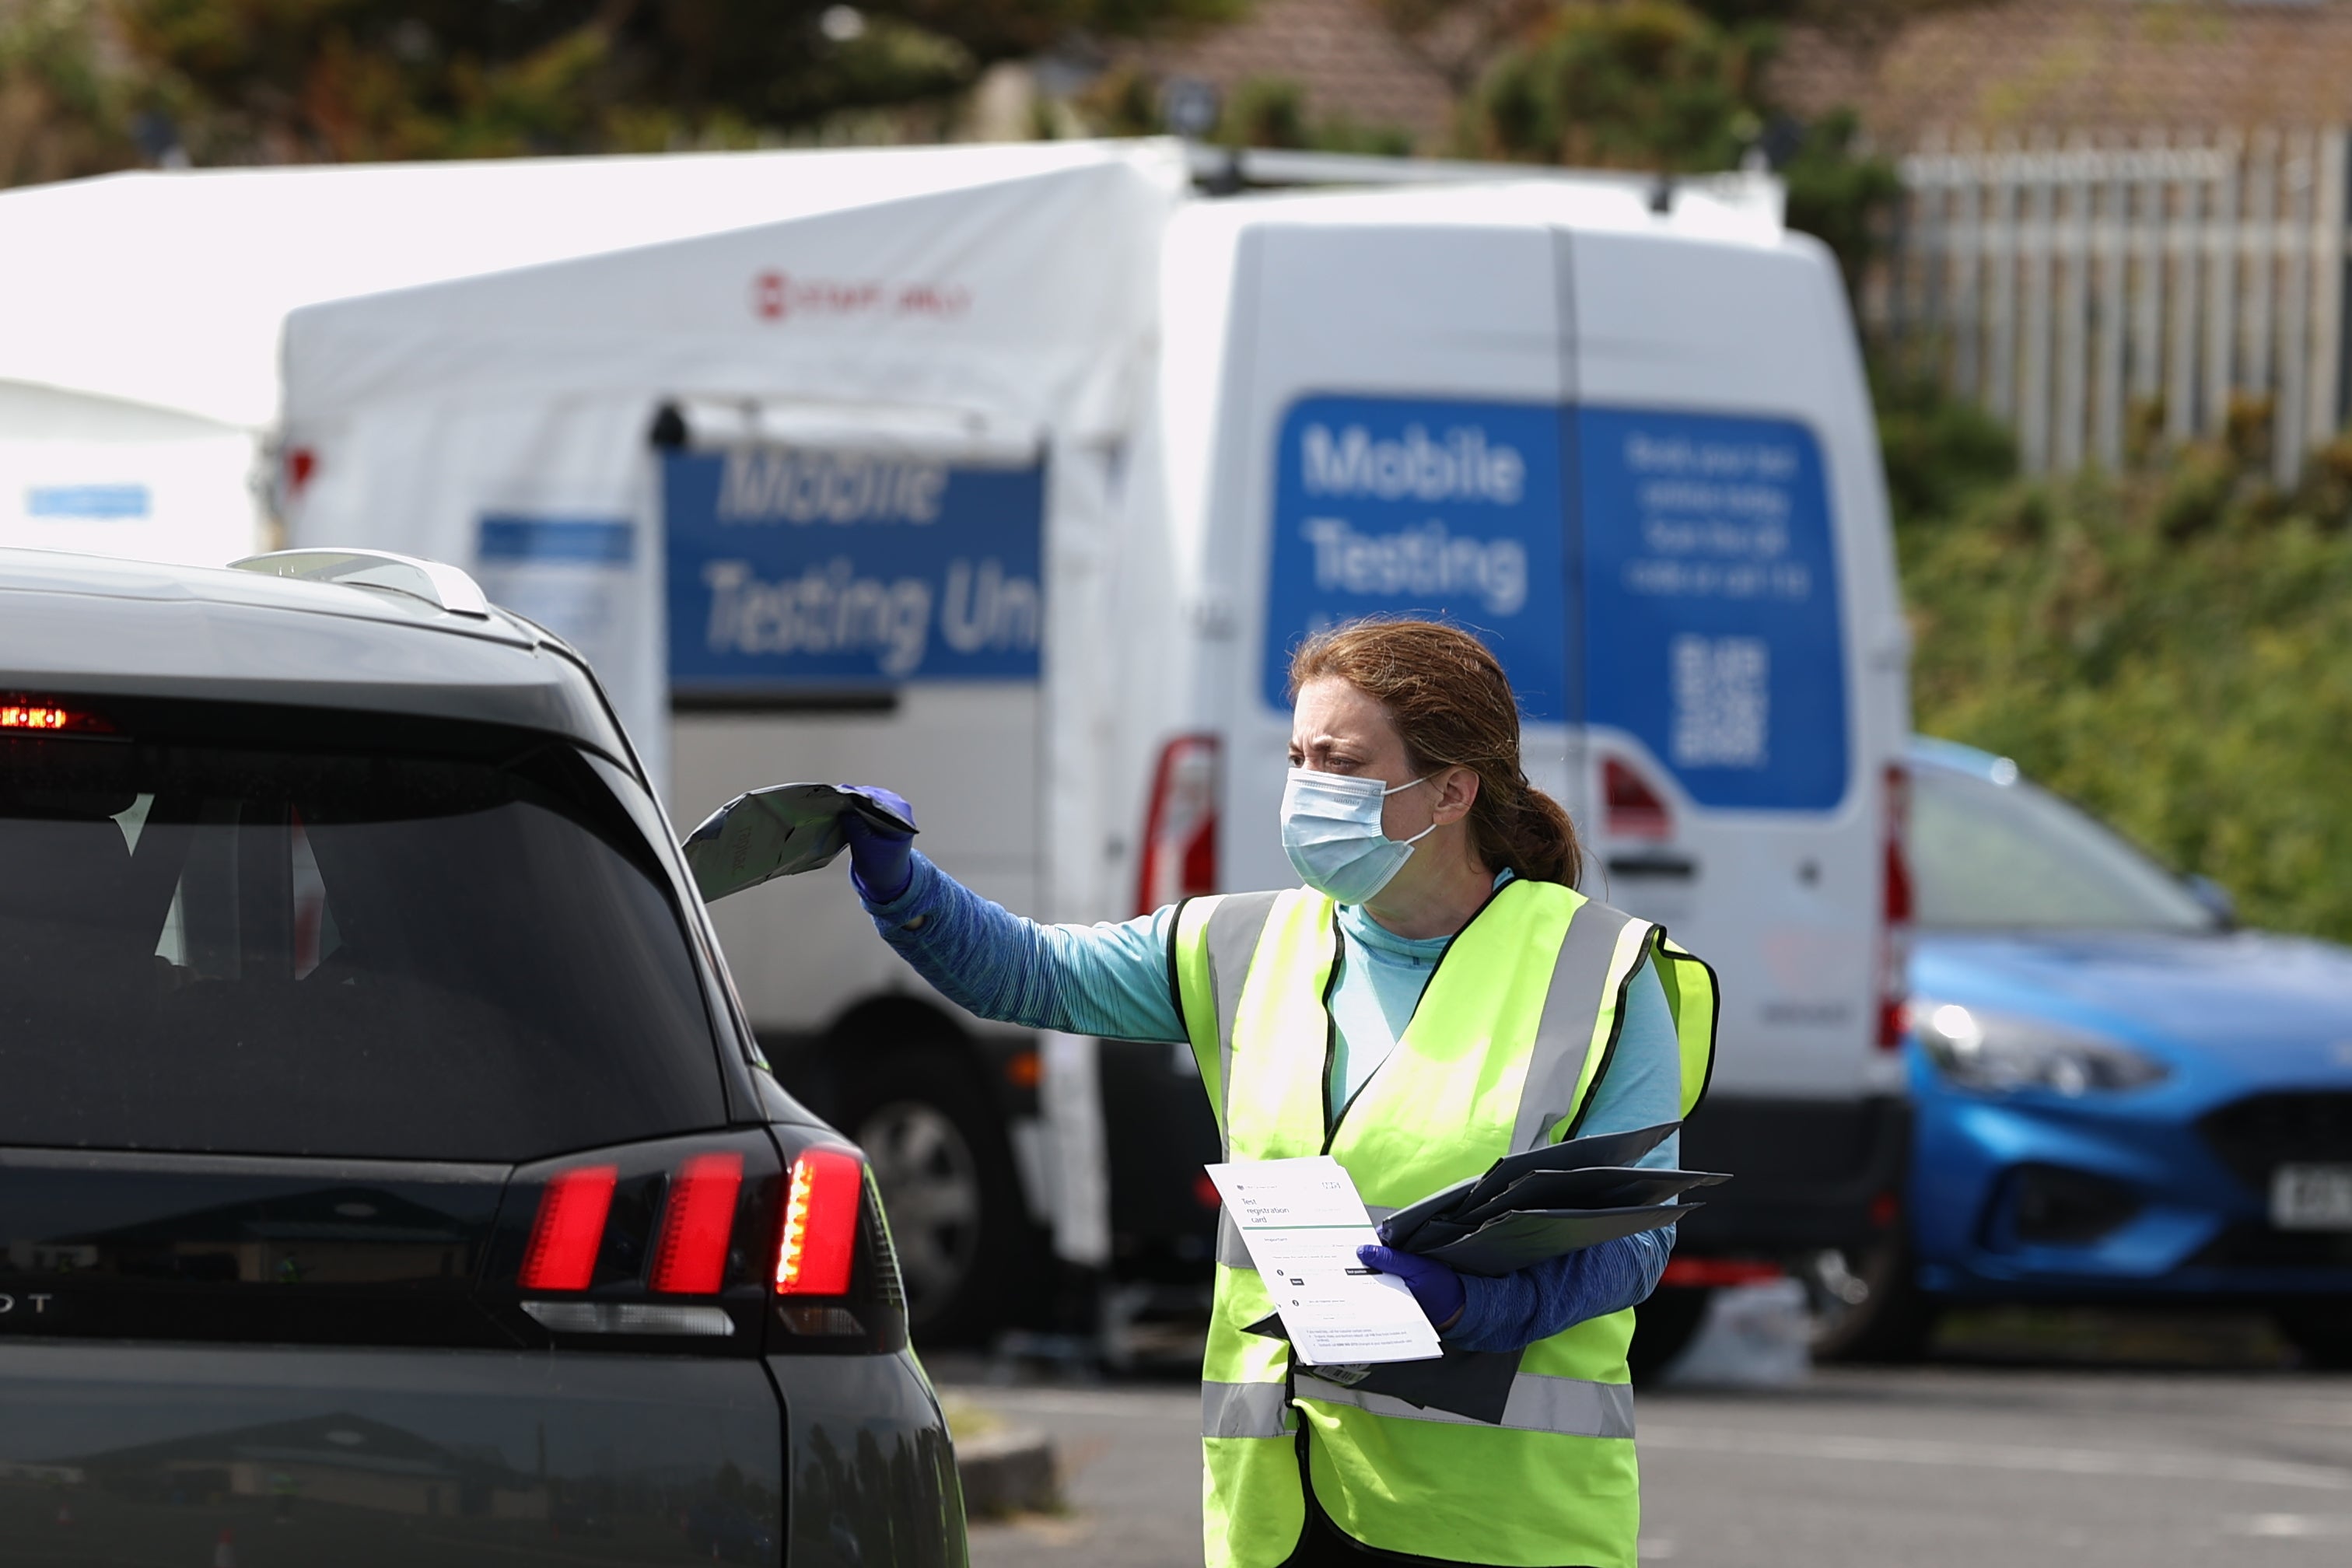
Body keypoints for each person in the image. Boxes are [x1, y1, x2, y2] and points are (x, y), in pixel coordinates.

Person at [836, 618, 1717, 1568]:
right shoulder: (1247, 946)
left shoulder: (1602, 970)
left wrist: (1468, 1308)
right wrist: (902, 885)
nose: (1307, 789)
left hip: (1499, 1524)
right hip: (1278, 1512)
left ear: (1452, 790)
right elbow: (1034, 974)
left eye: (1339, 761)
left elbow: (1632, 1248)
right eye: (1299, 757)